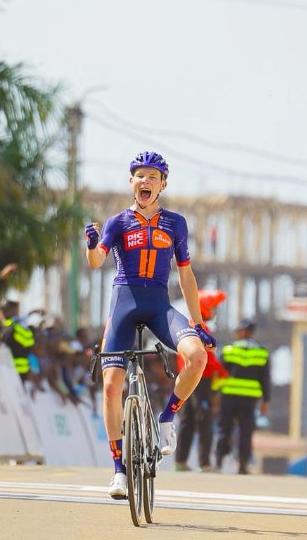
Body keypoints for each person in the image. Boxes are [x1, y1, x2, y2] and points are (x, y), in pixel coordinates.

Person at [85, 150, 218, 499]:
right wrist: (91, 245)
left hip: (159, 306)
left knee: (197, 356)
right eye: (140, 176)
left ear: (163, 185)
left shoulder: (175, 223)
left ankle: (167, 417)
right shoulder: (117, 222)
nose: (145, 182)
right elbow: (96, 261)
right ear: (131, 181)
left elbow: (186, 275)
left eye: (153, 177)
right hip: (124, 305)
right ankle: (118, 470)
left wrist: (198, 322)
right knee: (111, 387)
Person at [174, 289, 229, 472]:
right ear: (204, 308)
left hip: (186, 379)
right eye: (212, 307)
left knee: (187, 420)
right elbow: (209, 360)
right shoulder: (201, 330)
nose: (214, 311)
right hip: (201, 381)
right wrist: (223, 372)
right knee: (204, 420)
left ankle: (180, 461)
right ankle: (205, 463)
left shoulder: (185, 327)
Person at [214, 318, 271, 475]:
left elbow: (219, 374)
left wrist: (215, 393)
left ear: (242, 331)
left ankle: (218, 463)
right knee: (246, 431)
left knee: (224, 428)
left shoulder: (228, 350)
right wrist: (266, 401)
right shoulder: (261, 352)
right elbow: (265, 379)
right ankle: (243, 466)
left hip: (229, 396)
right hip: (249, 399)